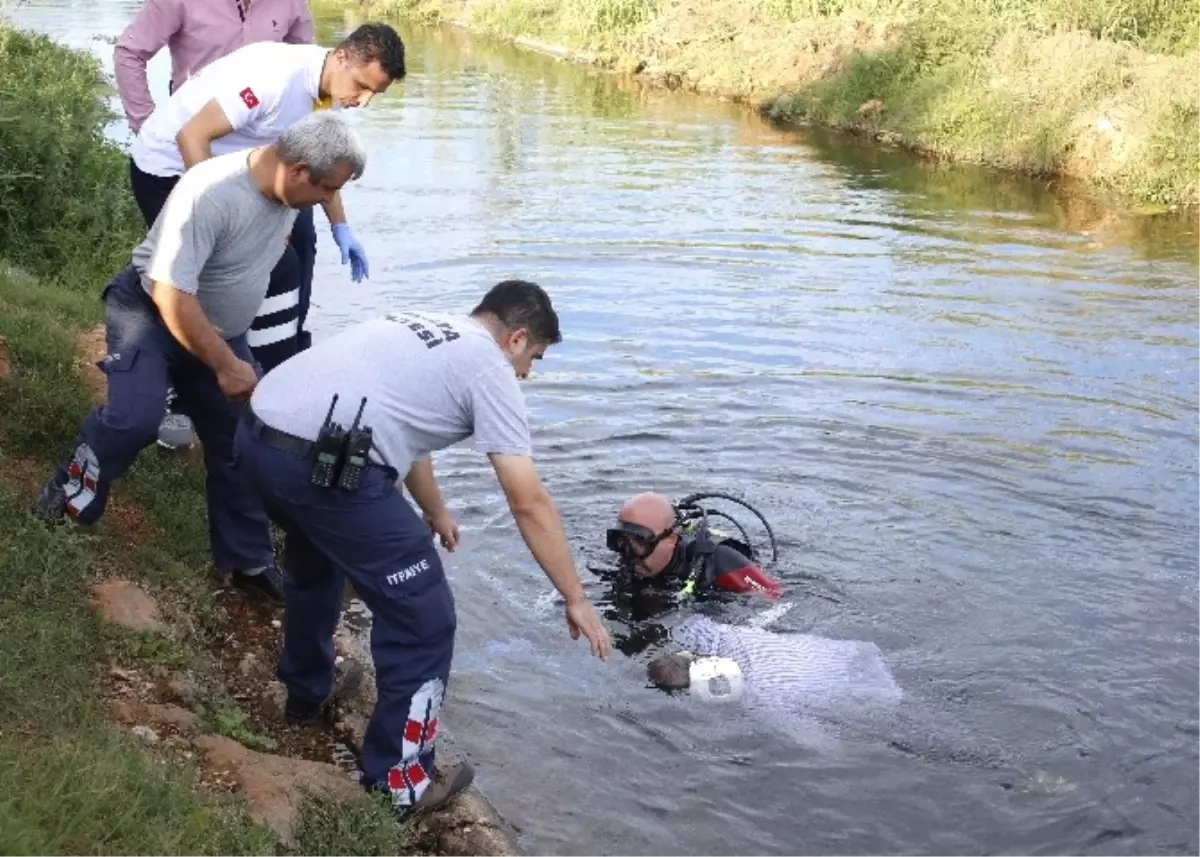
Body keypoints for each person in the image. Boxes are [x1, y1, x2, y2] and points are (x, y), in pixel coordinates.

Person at [232, 281, 613, 815]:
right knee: (425, 618)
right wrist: (574, 595)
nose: (527, 374)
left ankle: (306, 688)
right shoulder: (490, 369)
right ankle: (401, 783)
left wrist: (434, 511)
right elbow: (527, 500)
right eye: (535, 359)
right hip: (320, 465)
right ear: (517, 338)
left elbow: (402, 431)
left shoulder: (422, 326)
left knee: (318, 559)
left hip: (255, 440)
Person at [31, 112, 368, 608]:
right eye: (327, 191)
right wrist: (226, 366)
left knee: (242, 443)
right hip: (151, 314)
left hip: (220, 328)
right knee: (134, 419)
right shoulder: (210, 192)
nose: (327, 202)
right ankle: (69, 491)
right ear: (297, 171)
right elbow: (171, 293)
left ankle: (247, 560)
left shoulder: (288, 194)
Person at [127, 22, 405, 373]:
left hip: (236, 168)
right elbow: (191, 136)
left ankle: (285, 351)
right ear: (342, 57)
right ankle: (183, 374)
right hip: (170, 166)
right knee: (212, 271)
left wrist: (341, 227)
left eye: (374, 94)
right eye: (362, 87)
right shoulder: (275, 80)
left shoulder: (330, 95)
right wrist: (231, 211)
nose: (363, 101)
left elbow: (324, 170)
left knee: (300, 241)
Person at [114, 0, 316, 138]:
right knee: (197, 199)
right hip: (193, 133)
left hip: (263, 140)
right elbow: (130, 53)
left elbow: (304, 68)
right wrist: (145, 125)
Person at [647, 614, 902, 712]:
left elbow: (822, 746)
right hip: (848, 652)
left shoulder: (763, 697)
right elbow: (688, 623)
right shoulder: (719, 636)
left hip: (863, 686)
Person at [606, 491, 784, 599]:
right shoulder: (633, 559)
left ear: (671, 540)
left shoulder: (723, 561)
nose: (629, 555)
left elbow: (775, 598)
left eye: (640, 543)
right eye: (621, 542)